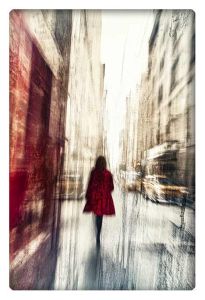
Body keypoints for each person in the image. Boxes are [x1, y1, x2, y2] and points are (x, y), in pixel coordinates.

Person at [83, 156, 115, 246]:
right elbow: (111, 187)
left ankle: (97, 230)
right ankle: (98, 233)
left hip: (94, 197)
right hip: (103, 198)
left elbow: (89, 184)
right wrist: (105, 192)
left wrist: (88, 194)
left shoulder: (93, 172)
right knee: (100, 216)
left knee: (96, 214)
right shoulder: (108, 174)